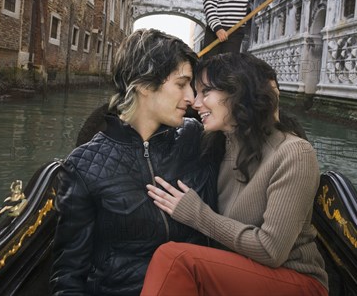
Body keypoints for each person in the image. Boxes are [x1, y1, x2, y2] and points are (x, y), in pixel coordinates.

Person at [141, 53, 329, 296]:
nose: (195, 103)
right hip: (240, 269)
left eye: (205, 93)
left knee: (176, 258)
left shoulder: (294, 153)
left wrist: (198, 215)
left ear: (239, 94)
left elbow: (271, 251)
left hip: (296, 280)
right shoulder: (221, 143)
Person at [50, 29, 218, 296]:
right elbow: (69, 274)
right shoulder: (82, 166)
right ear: (143, 84)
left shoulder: (196, 137)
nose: (191, 98)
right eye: (181, 84)